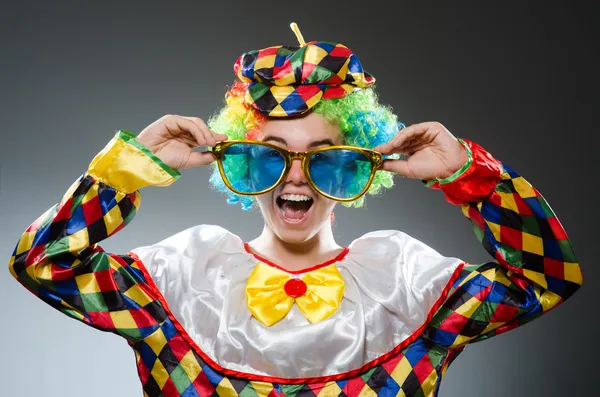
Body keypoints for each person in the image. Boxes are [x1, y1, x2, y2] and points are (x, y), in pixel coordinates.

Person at [8, 24, 582, 397]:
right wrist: (123, 172)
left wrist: (470, 176)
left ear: (360, 169)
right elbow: (41, 261)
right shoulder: (177, 281)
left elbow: (547, 277)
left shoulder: (409, 285)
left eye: (328, 159)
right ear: (240, 165)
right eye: (268, 158)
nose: (297, 177)